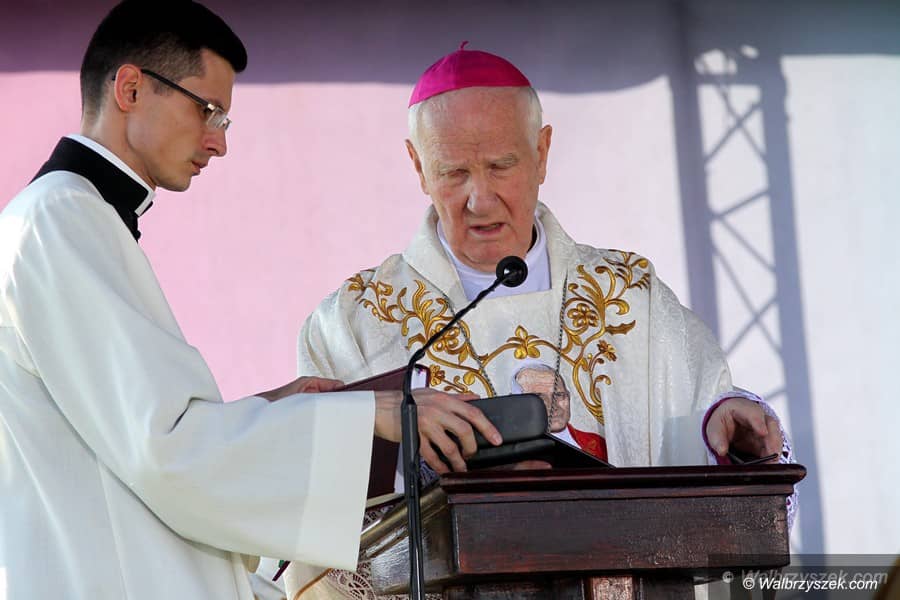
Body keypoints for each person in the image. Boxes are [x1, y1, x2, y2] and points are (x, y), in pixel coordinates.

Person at [0, 6, 500, 600]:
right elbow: (167, 452)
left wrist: (276, 405)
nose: (218, 142)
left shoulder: (62, 216)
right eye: (207, 110)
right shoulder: (63, 218)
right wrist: (373, 414)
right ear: (130, 88)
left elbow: (138, 435)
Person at [286, 44, 794, 599]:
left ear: (542, 152)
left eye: (501, 166)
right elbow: (321, 534)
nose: (480, 200)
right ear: (417, 166)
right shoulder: (355, 322)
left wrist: (729, 428)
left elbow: (701, 428)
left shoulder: (631, 298)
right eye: (454, 172)